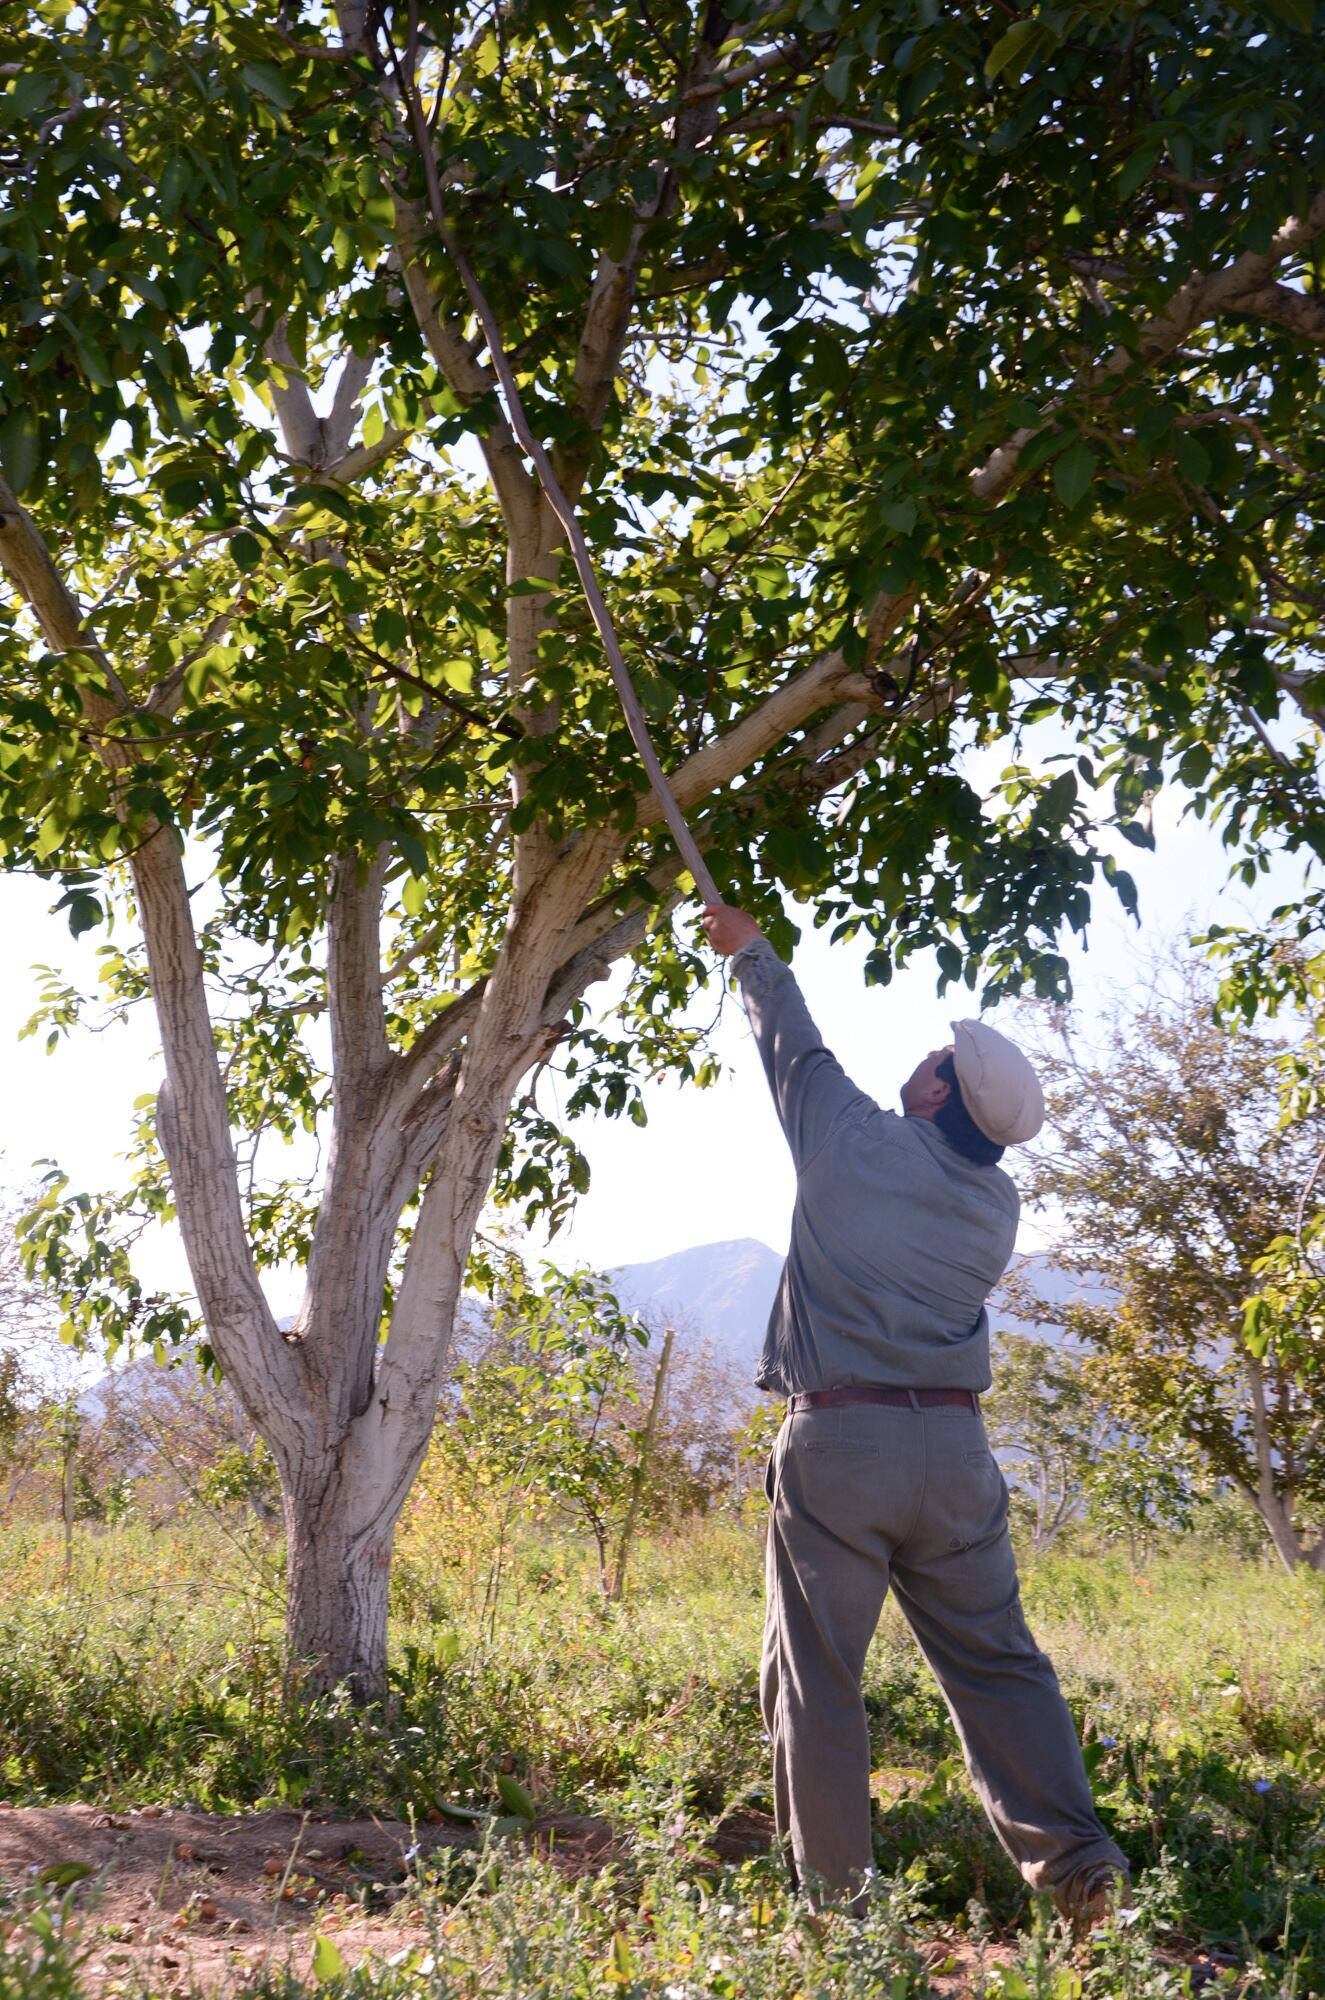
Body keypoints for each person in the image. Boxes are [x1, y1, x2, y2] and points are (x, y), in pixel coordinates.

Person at [701, 902, 1128, 1925]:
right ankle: (1081, 1872)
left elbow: (792, 1048)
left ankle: (841, 1913)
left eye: (933, 1054)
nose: (922, 1058)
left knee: (815, 1677)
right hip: (955, 1449)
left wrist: (747, 952)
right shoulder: (995, 1207)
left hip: (842, 1441)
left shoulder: (851, 1141)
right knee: (999, 1664)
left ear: (936, 1091)